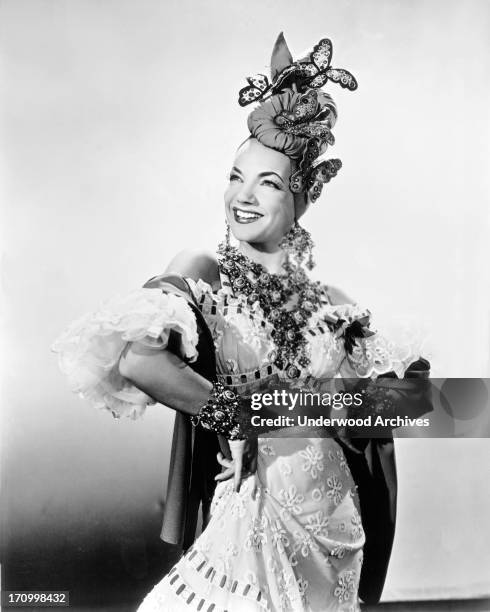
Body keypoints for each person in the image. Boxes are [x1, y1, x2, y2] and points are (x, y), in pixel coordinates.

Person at [53, 33, 431, 611]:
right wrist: (241, 413)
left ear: (303, 197)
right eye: (235, 176)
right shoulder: (202, 271)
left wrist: (316, 401)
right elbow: (136, 358)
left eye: (268, 182)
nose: (243, 195)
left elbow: (407, 406)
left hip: (330, 523)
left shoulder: (330, 301)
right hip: (251, 514)